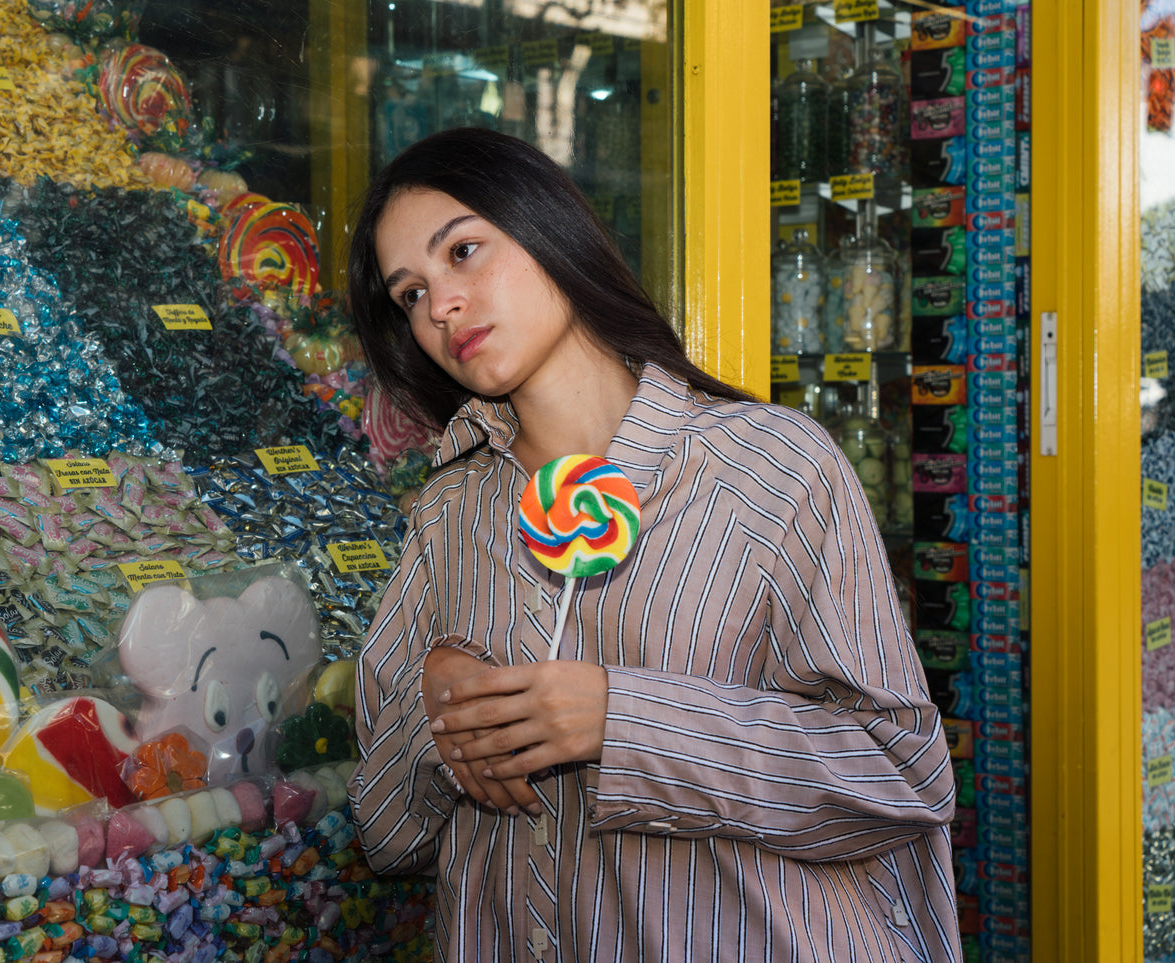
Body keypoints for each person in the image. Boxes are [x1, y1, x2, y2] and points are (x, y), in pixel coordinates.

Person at [344, 126, 960, 962]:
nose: (440, 306)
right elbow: (383, 833)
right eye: (409, 293)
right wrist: (439, 712)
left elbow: (901, 775)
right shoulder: (449, 513)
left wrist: (623, 719)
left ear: (548, 229)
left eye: (463, 251)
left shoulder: (770, 468)